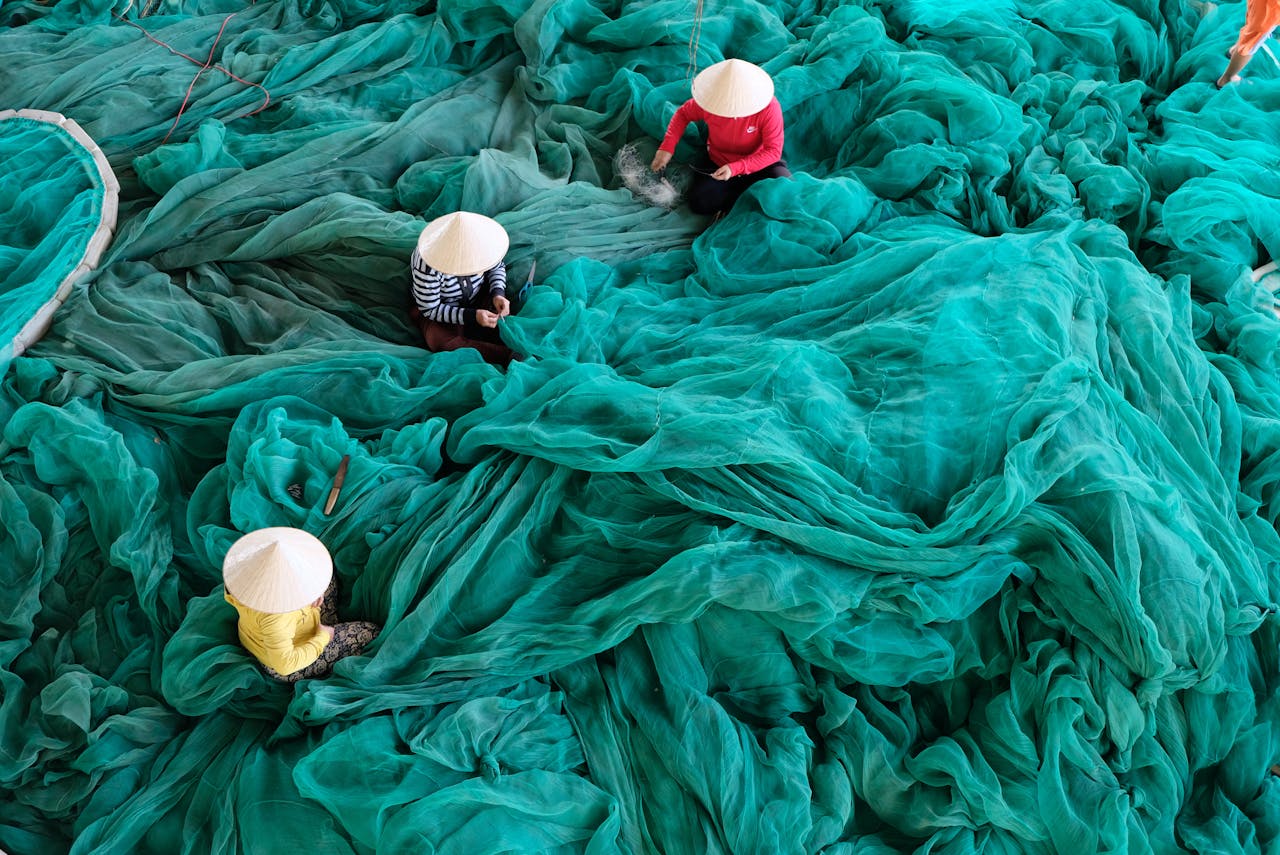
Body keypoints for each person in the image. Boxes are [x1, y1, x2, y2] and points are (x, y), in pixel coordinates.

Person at [222, 527, 380, 682]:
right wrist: (322, 637)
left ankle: (328, 626)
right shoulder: (276, 618)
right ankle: (332, 645)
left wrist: (315, 590)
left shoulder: (241, 580)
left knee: (326, 577)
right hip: (291, 658)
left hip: (287, 626)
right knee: (370, 633)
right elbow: (285, 665)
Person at [650, 58, 790, 217]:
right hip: (719, 164)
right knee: (699, 203)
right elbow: (682, 114)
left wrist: (736, 168)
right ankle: (738, 200)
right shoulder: (709, 102)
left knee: (785, 191)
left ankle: (736, 199)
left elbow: (773, 151)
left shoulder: (769, 107)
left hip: (759, 164)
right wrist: (667, 147)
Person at [409, 211, 516, 366]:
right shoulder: (426, 266)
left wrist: (498, 293)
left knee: (505, 317)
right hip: (441, 308)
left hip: (478, 294)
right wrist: (472, 316)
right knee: (441, 341)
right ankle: (505, 356)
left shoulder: (484, 243)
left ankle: (505, 341)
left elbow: (496, 266)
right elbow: (430, 309)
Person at [1217, 0, 1280, 87]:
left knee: (1253, 23)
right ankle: (1227, 79)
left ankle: (1236, 50)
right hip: (1271, 7)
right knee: (1253, 40)